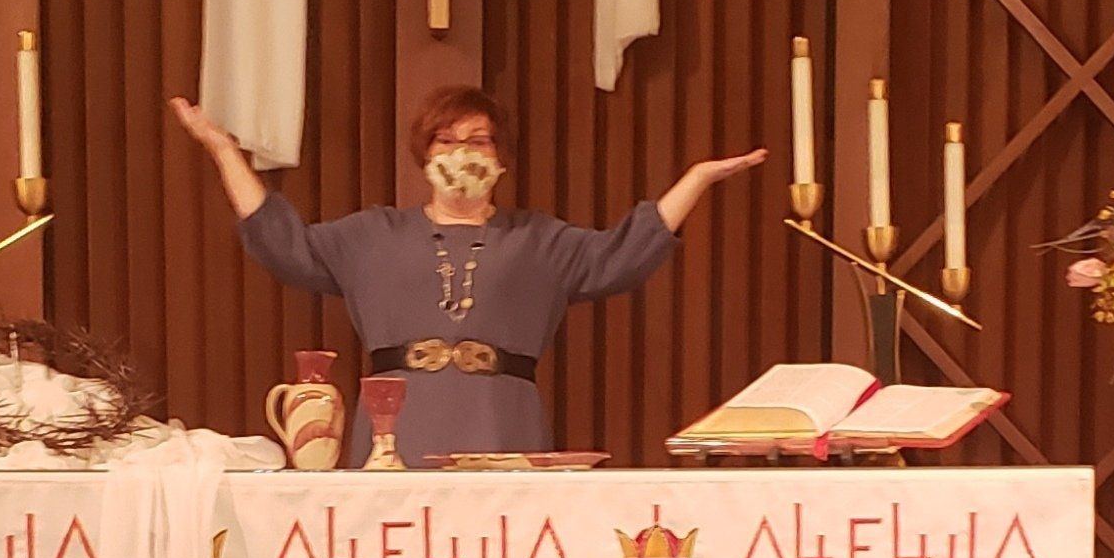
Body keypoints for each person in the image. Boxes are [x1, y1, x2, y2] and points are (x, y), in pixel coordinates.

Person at [170, 82, 764, 464]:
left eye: (479, 140)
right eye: (447, 141)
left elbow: (624, 254)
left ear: (500, 160)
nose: (463, 152)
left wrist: (697, 180)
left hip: (503, 427)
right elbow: (284, 245)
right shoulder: (371, 235)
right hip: (396, 429)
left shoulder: (541, 239)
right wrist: (225, 151)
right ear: (426, 158)